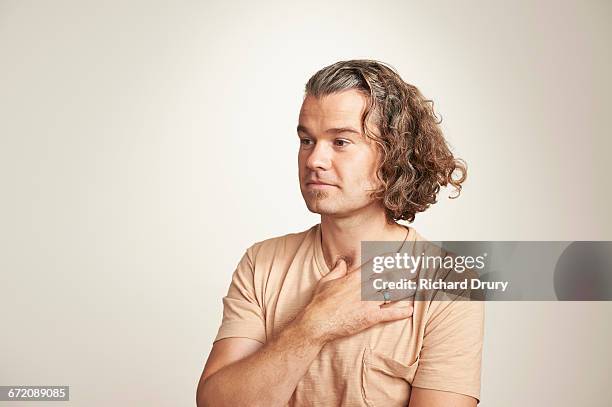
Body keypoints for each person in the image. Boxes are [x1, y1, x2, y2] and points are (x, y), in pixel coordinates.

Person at [196, 60, 484, 407]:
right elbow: (216, 402)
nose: (314, 159)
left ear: (394, 154)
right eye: (306, 140)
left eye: (341, 142)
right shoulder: (262, 262)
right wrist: (315, 324)